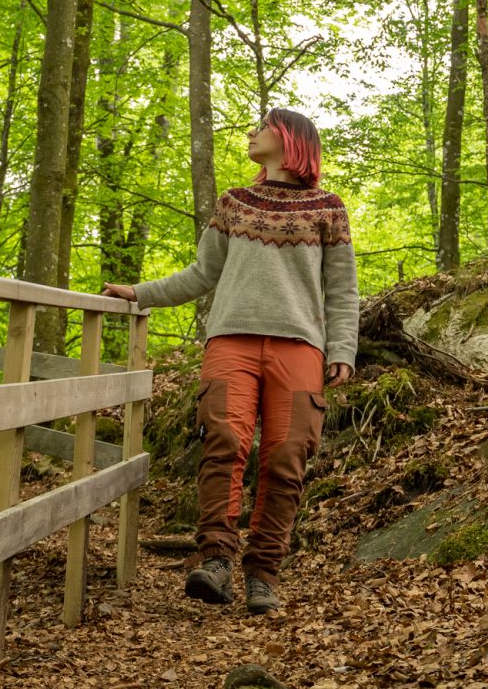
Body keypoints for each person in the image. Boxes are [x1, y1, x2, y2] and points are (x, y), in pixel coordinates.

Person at [103, 108, 359, 615]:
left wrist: (343, 349)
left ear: (287, 139)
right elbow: (202, 273)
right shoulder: (234, 204)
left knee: (288, 458)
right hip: (231, 343)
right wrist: (140, 293)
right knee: (223, 441)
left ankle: (263, 573)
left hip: (300, 348)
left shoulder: (328, 208)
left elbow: (342, 290)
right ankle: (216, 560)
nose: (250, 134)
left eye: (260, 127)